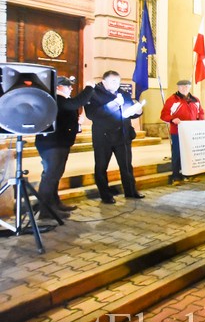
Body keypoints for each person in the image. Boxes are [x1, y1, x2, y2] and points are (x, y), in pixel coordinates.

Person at [34, 77, 94, 219]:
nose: (71, 89)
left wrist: (77, 124)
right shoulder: (56, 99)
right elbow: (76, 103)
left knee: (54, 176)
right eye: (68, 86)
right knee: (50, 176)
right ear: (59, 87)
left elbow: (68, 115)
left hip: (58, 144)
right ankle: (45, 210)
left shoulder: (61, 101)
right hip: (53, 144)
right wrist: (89, 88)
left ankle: (54, 203)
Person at [84, 70, 144, 204]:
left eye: (118, 81)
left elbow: (129, 112)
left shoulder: (123, 93)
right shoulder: (94, 94)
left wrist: (137, 111)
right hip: (103, 138)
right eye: (113, 81)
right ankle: (106, 195)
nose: (117, 84)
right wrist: (114, 104)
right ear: (104, 81)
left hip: (122, 136)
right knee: (101, 167)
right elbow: (93, 115)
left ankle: (131, 191)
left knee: (126, 166)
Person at [161, 79, 205, 184]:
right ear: (178, 87)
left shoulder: (195, 100)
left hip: (192, 132)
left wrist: (201, 122)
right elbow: (164, 115)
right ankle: (176, 176)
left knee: (191, 153)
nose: (184, 89)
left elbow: (201, 113)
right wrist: (172, 119)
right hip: (177, 132)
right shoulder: (172, 100)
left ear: (190, 87)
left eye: (186, 86)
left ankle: (190, 174)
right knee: (177, 154)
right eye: (182, 87)